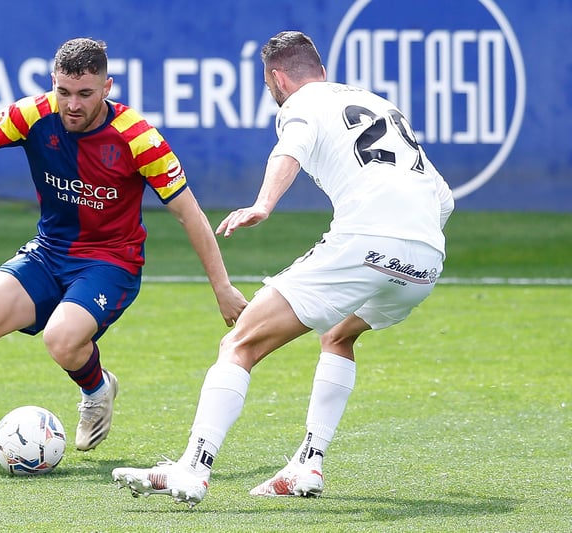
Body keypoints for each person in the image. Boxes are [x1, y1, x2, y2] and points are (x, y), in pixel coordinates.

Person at [0, 37, 247, 468]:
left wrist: (223, 287)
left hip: (110, 262)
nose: (72, 105)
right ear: (53, 84)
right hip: (49, 252)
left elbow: (189, 214)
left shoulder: (138, 138)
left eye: (85, 94)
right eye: (64, 92)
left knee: (61, 339)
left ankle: (97, 388)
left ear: (107, 87)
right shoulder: (32, 115)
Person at [112, 30, 454, 507]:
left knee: (240, 342)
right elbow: (444, 197)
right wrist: (412, 242)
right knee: (338, 335)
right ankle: (307, 464)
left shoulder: (299, 105)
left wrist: (263, 204)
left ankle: (192, 467)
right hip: (426, 258)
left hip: (365, 241)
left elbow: (289, 149)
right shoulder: (376, 103)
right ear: (322, 70)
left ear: (276, 77)